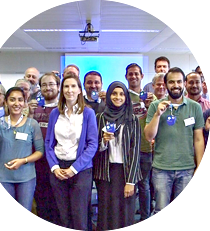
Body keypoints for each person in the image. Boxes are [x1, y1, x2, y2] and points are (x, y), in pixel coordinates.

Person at [144, 67, 204, 222]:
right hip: (162, 169)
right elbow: (148, 136)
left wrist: (200, 167)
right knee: (162, 212)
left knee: (185, 213)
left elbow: (198, 139)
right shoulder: (154, 106)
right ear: (165, 84)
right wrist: (158, 114)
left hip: (187, 169)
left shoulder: (194, 107)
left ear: (184, 83)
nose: (175, 85)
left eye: (179, 81)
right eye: (171, 82)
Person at [45, 72, 98, 230]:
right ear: (62, 90)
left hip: (80, 170)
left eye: (73, 86)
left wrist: (74, 169)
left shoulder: (88, 113)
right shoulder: (55, 113)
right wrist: (54, 167)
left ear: (79, 90)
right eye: (66, 86)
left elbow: (92, 144)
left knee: (79, 216)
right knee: (63, 216)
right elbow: (49, 143)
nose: (69, 90)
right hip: (58, 169)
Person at [0, 87, 44, 231]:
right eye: (12, 99)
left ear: (25, 103)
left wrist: (23, 161)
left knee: (23, 218)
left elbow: (39, 152)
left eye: (20, 100)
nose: (16, 103)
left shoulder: (32, 124)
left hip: (26, 178)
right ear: (6, 102)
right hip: (3, 177)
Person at [93, 81, 141, 230]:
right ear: (108, 96)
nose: (118, 97)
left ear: (126, 97)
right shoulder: (100, 117)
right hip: (105, 173)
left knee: (125, 212)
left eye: (121, 94)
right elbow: (93, 146)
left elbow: (135, 150)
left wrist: (131, 181)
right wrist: (103, 142)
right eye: (114, 93)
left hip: (126, 173)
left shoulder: (132, 120)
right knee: (106, 211)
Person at [28, 72, 60, 224]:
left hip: (58, 163)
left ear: (58, 87)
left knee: (58, 205)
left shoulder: (63, 108)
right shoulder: (33, 108)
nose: (48, 88)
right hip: (38, 163)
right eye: (44, 85)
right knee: (42, 204)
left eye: (51, 84)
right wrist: (28, 114)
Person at [125, 63, 155, 220]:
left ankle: (145, 219)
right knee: (130, 186)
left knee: (144, 186)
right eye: (130, 74)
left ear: (142, 76)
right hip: (128, 150)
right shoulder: (122, 96)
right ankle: (128, 220)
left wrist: (151, 106)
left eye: (136, 73)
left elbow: (158, 119)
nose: (133, 76)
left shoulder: (150, 97)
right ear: (126, 77)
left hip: (145, 148)